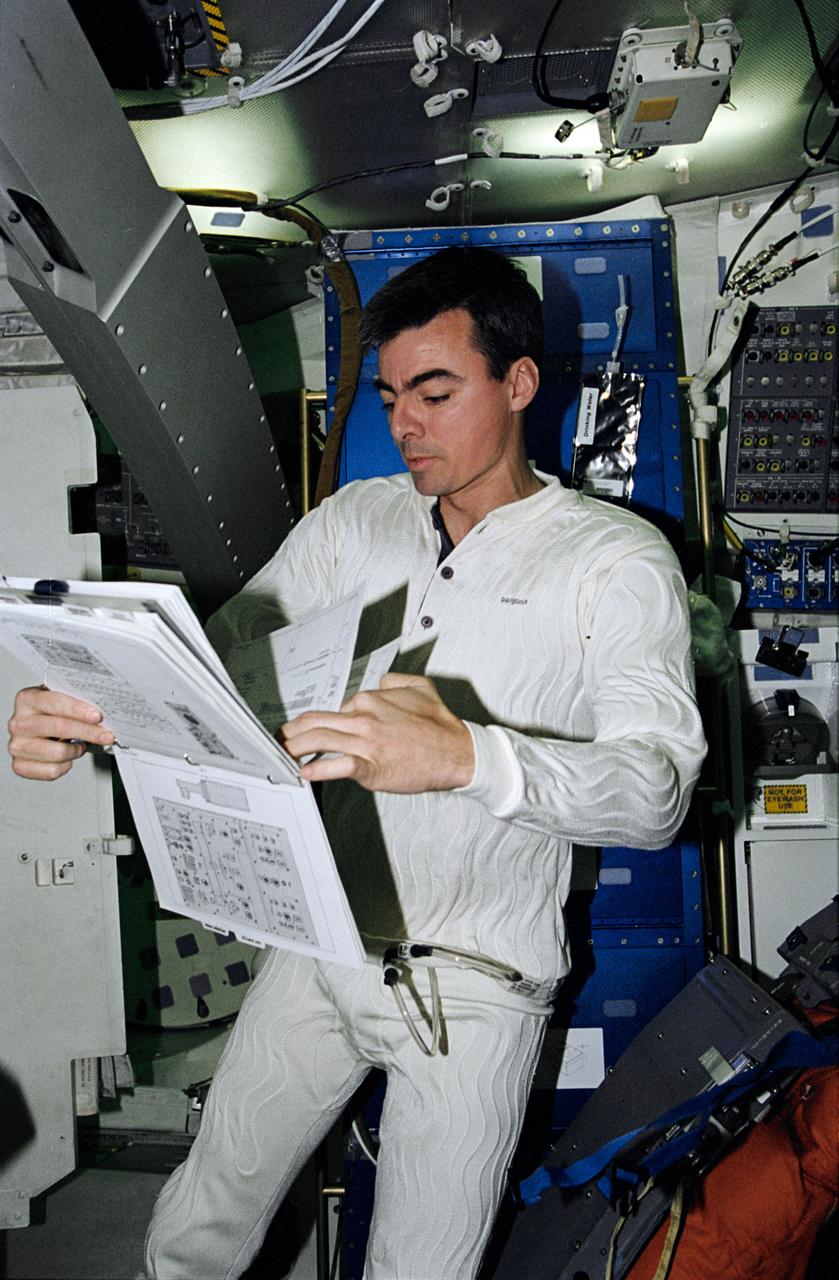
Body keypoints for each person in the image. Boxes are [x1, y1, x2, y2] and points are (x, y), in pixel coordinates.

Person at [7, 247, 706, 1280]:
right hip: (323, 946)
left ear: (517, 383)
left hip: (477, 991)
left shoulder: (610, 559)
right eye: (388, 396)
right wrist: (88, 708)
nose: (404, 424)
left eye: (433, 391)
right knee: (193, 1225)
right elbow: (218, 671)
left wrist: (467, 753)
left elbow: (655, 792)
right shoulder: (354, 525)